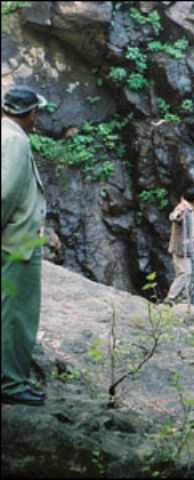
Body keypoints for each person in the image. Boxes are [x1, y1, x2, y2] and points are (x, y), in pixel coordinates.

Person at [1, 86, 49, 406]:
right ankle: (11, 384)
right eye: (37, 112)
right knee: (17, 314)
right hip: (19, 243)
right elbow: (4, 195)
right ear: (29, 113)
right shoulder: (16, 140)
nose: (37, 118)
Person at [165, 186, 194, 305]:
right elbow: (173, 217)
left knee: (186, 274)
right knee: (184, 274)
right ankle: (171, 298)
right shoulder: (183, 208)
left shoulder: (190, 208)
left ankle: (183, 299)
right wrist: (177, 215)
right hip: (181, 248)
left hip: (187, 247)